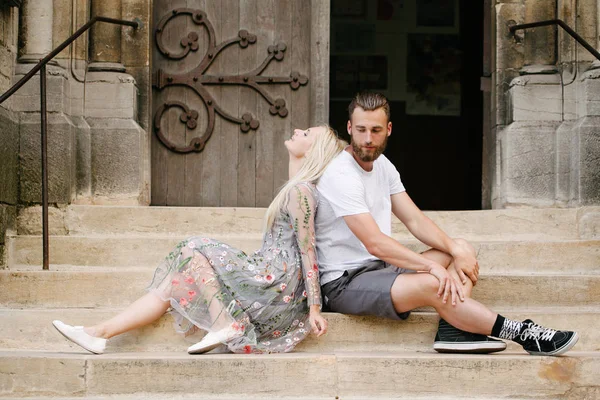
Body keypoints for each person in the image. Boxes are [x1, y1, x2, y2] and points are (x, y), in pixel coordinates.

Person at [315, 92, 578, 356]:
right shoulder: (341, 174)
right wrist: (430, 266)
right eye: (360, 130)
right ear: (349, 127)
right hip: (345, 283)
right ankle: (525, 334)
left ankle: (452, 329)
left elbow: (415, 220)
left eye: (375, 130)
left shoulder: (383, 166)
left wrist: (455, 249)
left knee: (461, 248)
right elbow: (375, 243)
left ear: (389, 129)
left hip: (380, 270)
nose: (368, 139)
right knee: (433, 283)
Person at [53, 124, 346, 355]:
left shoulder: (302, 192)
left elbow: (308, 250)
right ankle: (98, 334)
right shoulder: (295, 189)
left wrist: (315, 308)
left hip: (276, 283)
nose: (297, 131)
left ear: (313, 151)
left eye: (306, 133)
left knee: (193, 247)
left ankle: (225, 324)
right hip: (269, 272)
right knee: (176, 280)